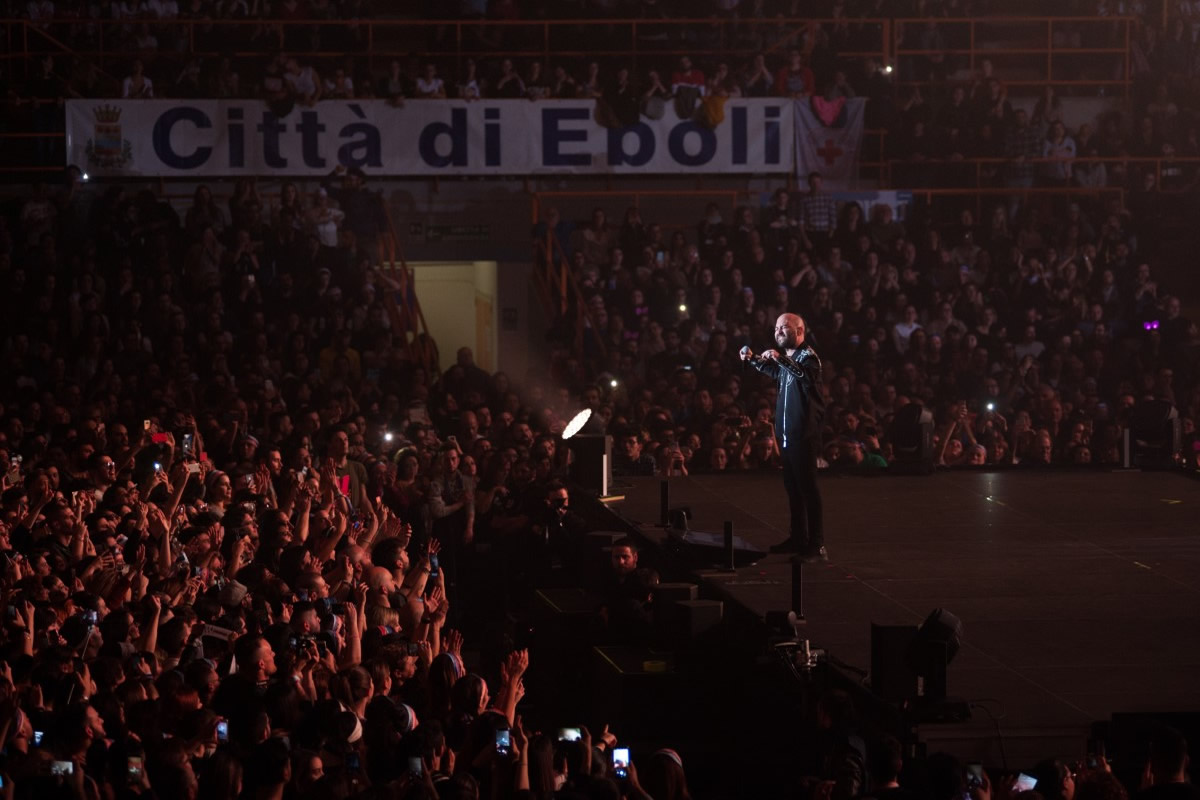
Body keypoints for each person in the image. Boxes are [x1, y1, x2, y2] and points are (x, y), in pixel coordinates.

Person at [741, 313, 827, 560]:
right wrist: (753, 358)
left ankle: (817, 544)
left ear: (800, 331)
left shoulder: (808, 358)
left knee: (808, 489)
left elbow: (804, 376)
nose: (778, 332)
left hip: (804, 435)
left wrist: (780, 360)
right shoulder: (788, 359)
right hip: (787, 435)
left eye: (784, 328)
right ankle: (798, 537)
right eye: (776, 328)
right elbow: (775, 371)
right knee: (793, 489)